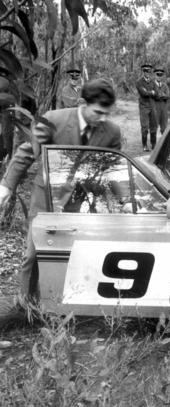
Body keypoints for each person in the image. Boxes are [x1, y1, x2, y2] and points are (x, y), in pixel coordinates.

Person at [0, 79, 122, 305]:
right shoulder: (54, 119)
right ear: (83, 103)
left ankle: (64, 302)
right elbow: (27, 152)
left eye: (107, 113)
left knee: (71, 250)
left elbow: (112, 169)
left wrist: (125, 200)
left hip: (80, 198)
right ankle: (26, 305)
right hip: (46, 196)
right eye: (98, 112)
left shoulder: (112, 132)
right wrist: (6, 186)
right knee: (34, 254)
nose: (103, 118)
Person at [135, 63, 158, 151]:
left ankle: (154, 145)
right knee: (144, 127)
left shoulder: (153, 81)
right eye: (145, 71)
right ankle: (144, 145)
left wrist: (151, 92)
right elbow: (143, 93)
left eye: (149, 71)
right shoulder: (139, 82)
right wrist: (151, 92)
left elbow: (156, 93)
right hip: (144, 106)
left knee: (154, 127)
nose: (147, 72)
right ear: (143, 71)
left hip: (152, 106)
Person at [152, 67, 170, 135]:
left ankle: (163, 144)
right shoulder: (152, 85)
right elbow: (153, 96)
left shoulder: (165, 85)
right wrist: (162, 95)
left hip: (164, 108)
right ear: (155, 75)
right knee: (154, 127)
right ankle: (153, 144)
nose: (159, 76)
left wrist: (159, 95)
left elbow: (168, 95)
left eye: (160, 75)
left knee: (164, 127)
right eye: (157, 74)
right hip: (155, 107)